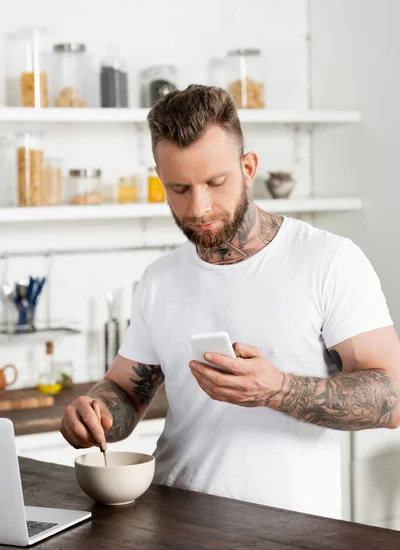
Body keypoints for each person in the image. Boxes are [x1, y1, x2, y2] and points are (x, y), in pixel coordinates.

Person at [61, 84, 400, 519]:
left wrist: (277, 389)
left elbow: (391, 398)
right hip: (174, 526)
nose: (199, 206)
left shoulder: (328, 260)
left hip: (295, 537)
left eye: (215, 182)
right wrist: (95, 412)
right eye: (179, 188)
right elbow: (126, 391)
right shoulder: (159, 280)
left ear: (248, 167)